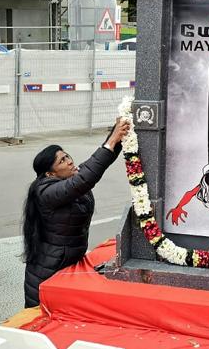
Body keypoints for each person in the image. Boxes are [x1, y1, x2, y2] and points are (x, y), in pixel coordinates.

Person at [21, 117, 130, 307]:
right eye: (62, 161)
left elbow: (96, 162)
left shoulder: (69, 177)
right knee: (41, 315)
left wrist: (118, 132)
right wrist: (112, 139)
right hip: (49, 270)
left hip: (68, 263)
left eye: (67, 156)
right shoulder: (46, 191)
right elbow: (85, 179)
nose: (70, 161)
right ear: (50, 173)